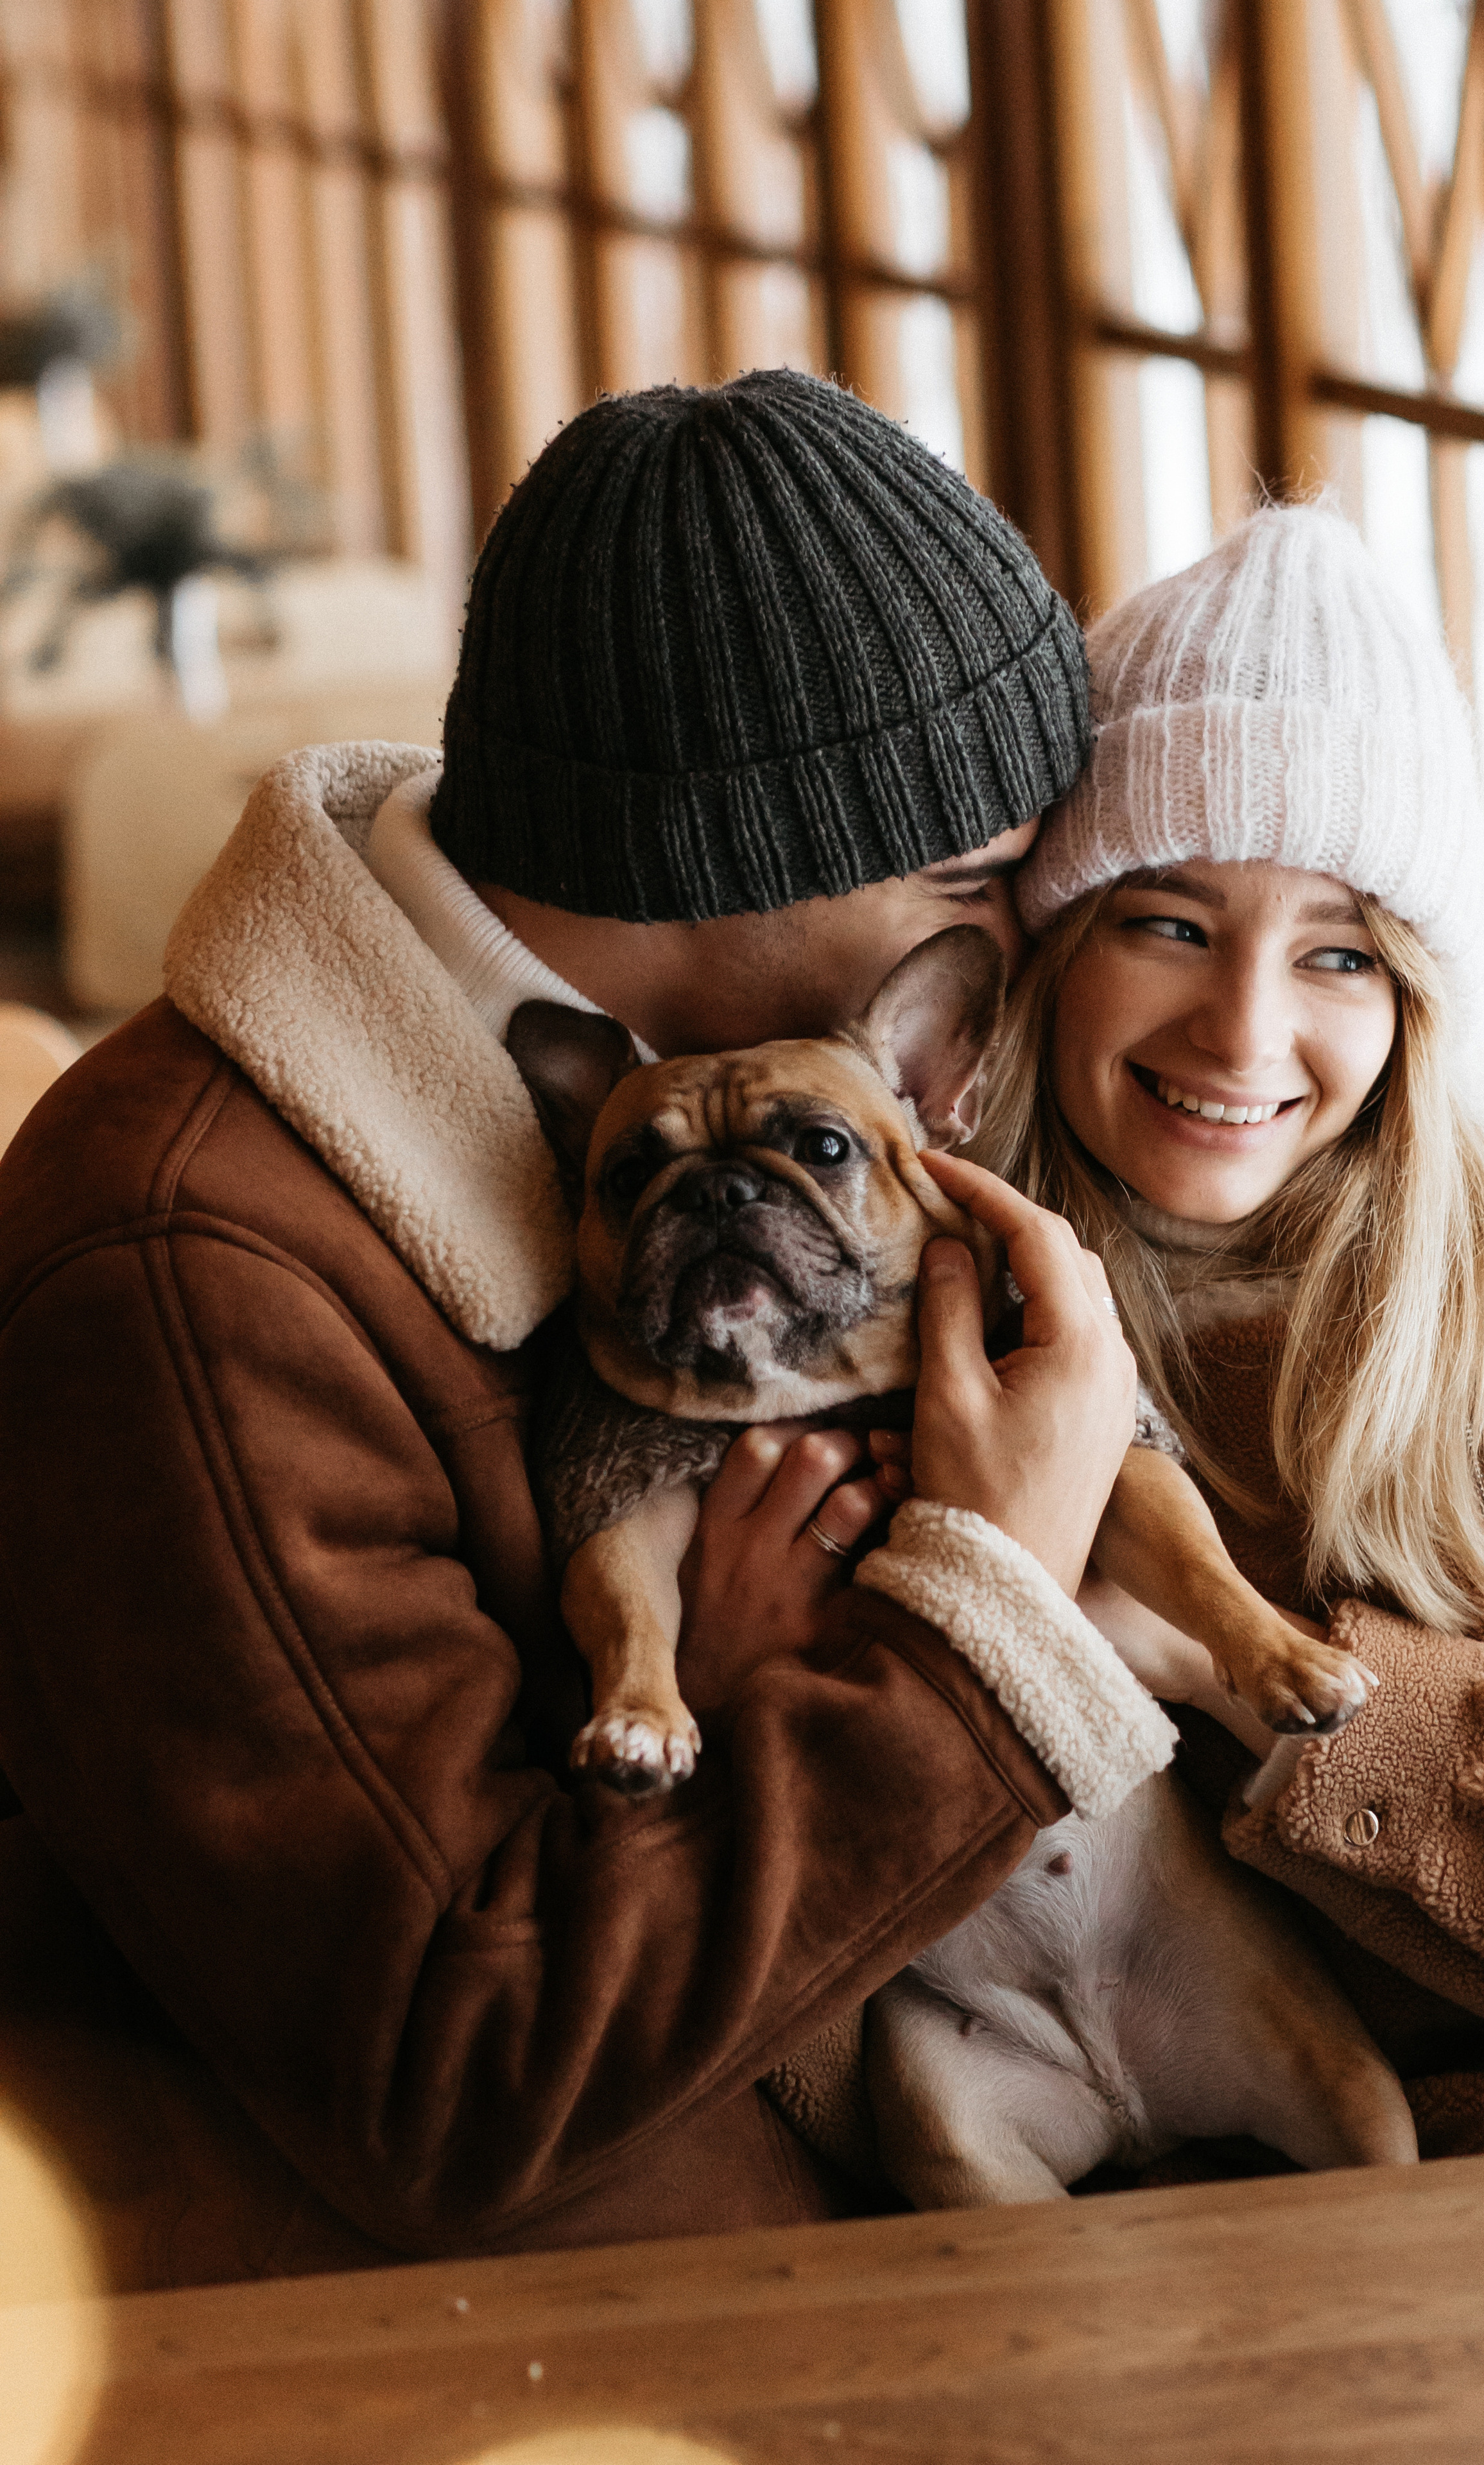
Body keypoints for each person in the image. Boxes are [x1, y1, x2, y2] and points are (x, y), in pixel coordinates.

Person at [0, 370, 1171, 2292]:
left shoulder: (758, 1129)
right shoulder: (183, 1272)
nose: (1024, 938)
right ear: (738, 844)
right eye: (972, 878)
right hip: (566, 2342)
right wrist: (988, 1613)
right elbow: (447, 2077)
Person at [978, 501, 1484, 2164]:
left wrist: (1239, 1670)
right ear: (1056, 949)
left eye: (1338, 953)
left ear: (1420, 1006)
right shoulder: (930, 1320)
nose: (1245, 1029)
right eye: (1170, 923)